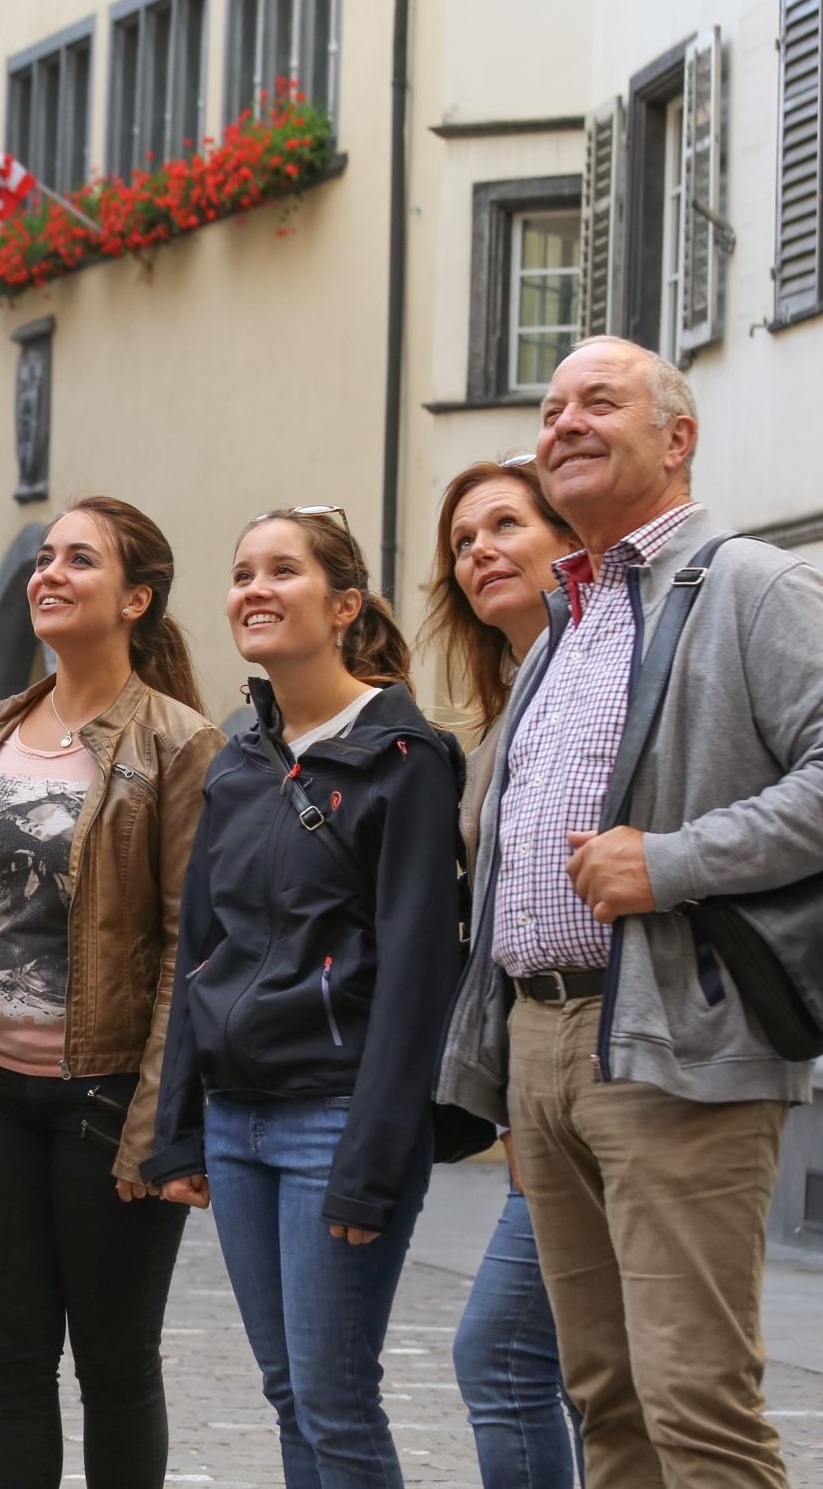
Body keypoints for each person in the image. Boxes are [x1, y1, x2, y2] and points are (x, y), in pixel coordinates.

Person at [438, 336, 823, 1487]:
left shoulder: (752, 583)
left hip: (677, 1042)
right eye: (549, 407)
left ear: (677, 438)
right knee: (602, 1399)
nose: (560, 422)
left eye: (596, 401)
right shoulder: (569, 620)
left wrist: (670, 862)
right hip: (547, 1048)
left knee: (693, 1403)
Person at [0, 497, 220, 1488]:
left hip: (103, 1095)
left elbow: (183, 947)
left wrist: (158, 1124)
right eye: (43, 557)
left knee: (113, 1364)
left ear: (135, 598)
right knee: (9, 1359)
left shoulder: (178, 744)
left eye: (79, 560)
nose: (49, 574)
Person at [146, 507, 465, 1489]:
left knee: (333, 1397)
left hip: (333, 1123)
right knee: (288, 1392)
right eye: (241, 572)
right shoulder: (240, 759)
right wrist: (177, 1128)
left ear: (341, 606)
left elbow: (417, 975)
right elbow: (201, 949)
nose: (253, 589)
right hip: (238, 1123)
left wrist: (373, 1162)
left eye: (280, 571)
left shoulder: (400, 763)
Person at [421, 457, 584, 1487]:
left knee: (510, 1357)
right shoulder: (504, 718)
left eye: (502, 525)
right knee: (554, 1366)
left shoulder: (611, 673)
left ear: (568, 538)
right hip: (547, 1070)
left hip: (626, 1058)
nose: (478, 550)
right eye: (460, 542)